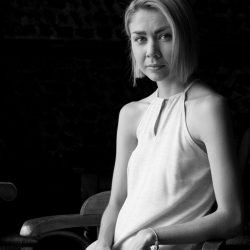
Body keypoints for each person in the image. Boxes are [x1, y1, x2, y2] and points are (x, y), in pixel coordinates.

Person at [87, 0, 243, 249]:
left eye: (165, 36)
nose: (151, 51)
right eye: (140, 38)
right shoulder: (130, 114)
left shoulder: (209, 109)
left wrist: (153, 235)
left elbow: (232, 217)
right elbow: (116, 201)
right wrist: (103, 242)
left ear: (185, 38)